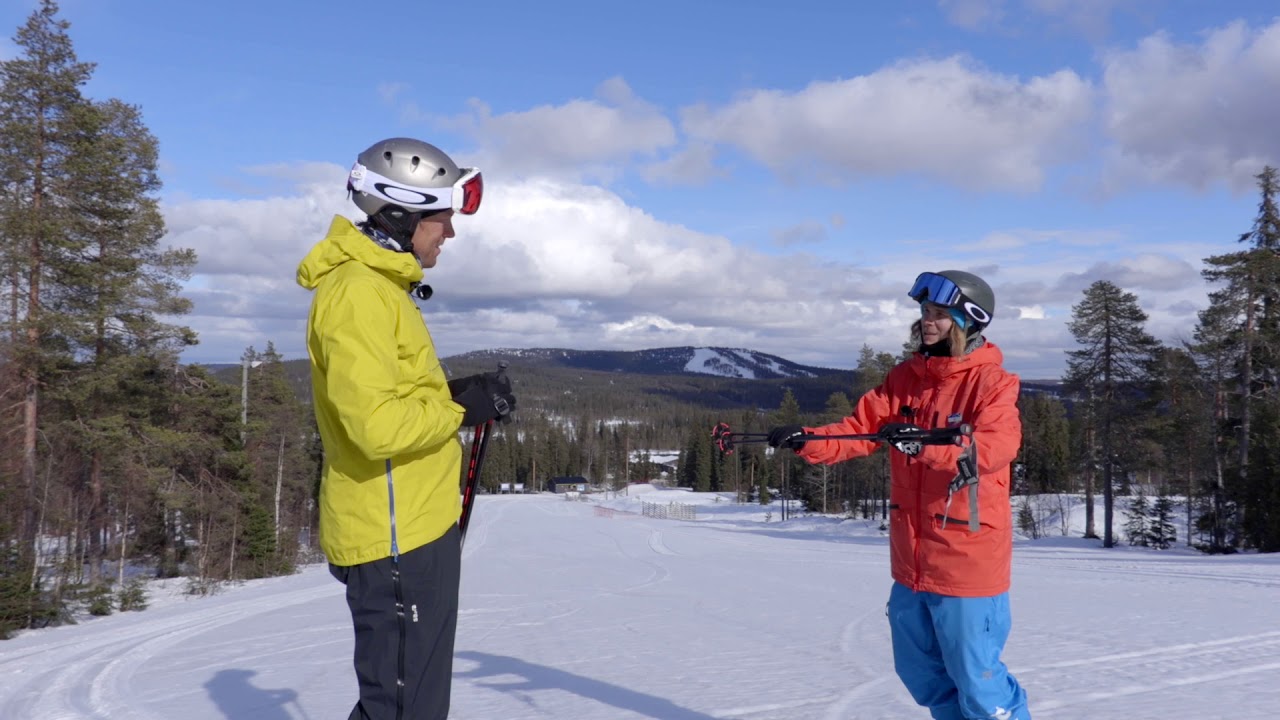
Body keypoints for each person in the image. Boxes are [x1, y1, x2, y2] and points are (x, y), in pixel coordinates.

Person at [296, 137, 516, 720]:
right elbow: (376, 427)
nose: (451, 233)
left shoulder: (383, 289)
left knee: (413, 703)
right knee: (401, 709)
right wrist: (460, 411)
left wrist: (452, 395)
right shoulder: (358, 294)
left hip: (416, 525)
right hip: (393, 536)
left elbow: (390, 395)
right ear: (400, 215)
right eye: (442, 219)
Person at [766, 270, 1030, 720]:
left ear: (968, 321)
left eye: (939, 314)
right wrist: (807, 439)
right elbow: (859, 430)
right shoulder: (905, 378)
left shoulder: (992, 383)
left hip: (966, 563)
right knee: (923, 677)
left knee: (978, 684)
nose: (927, 321)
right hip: (911, 565)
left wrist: (923, 444)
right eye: (925, 311)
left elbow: (996, 446)